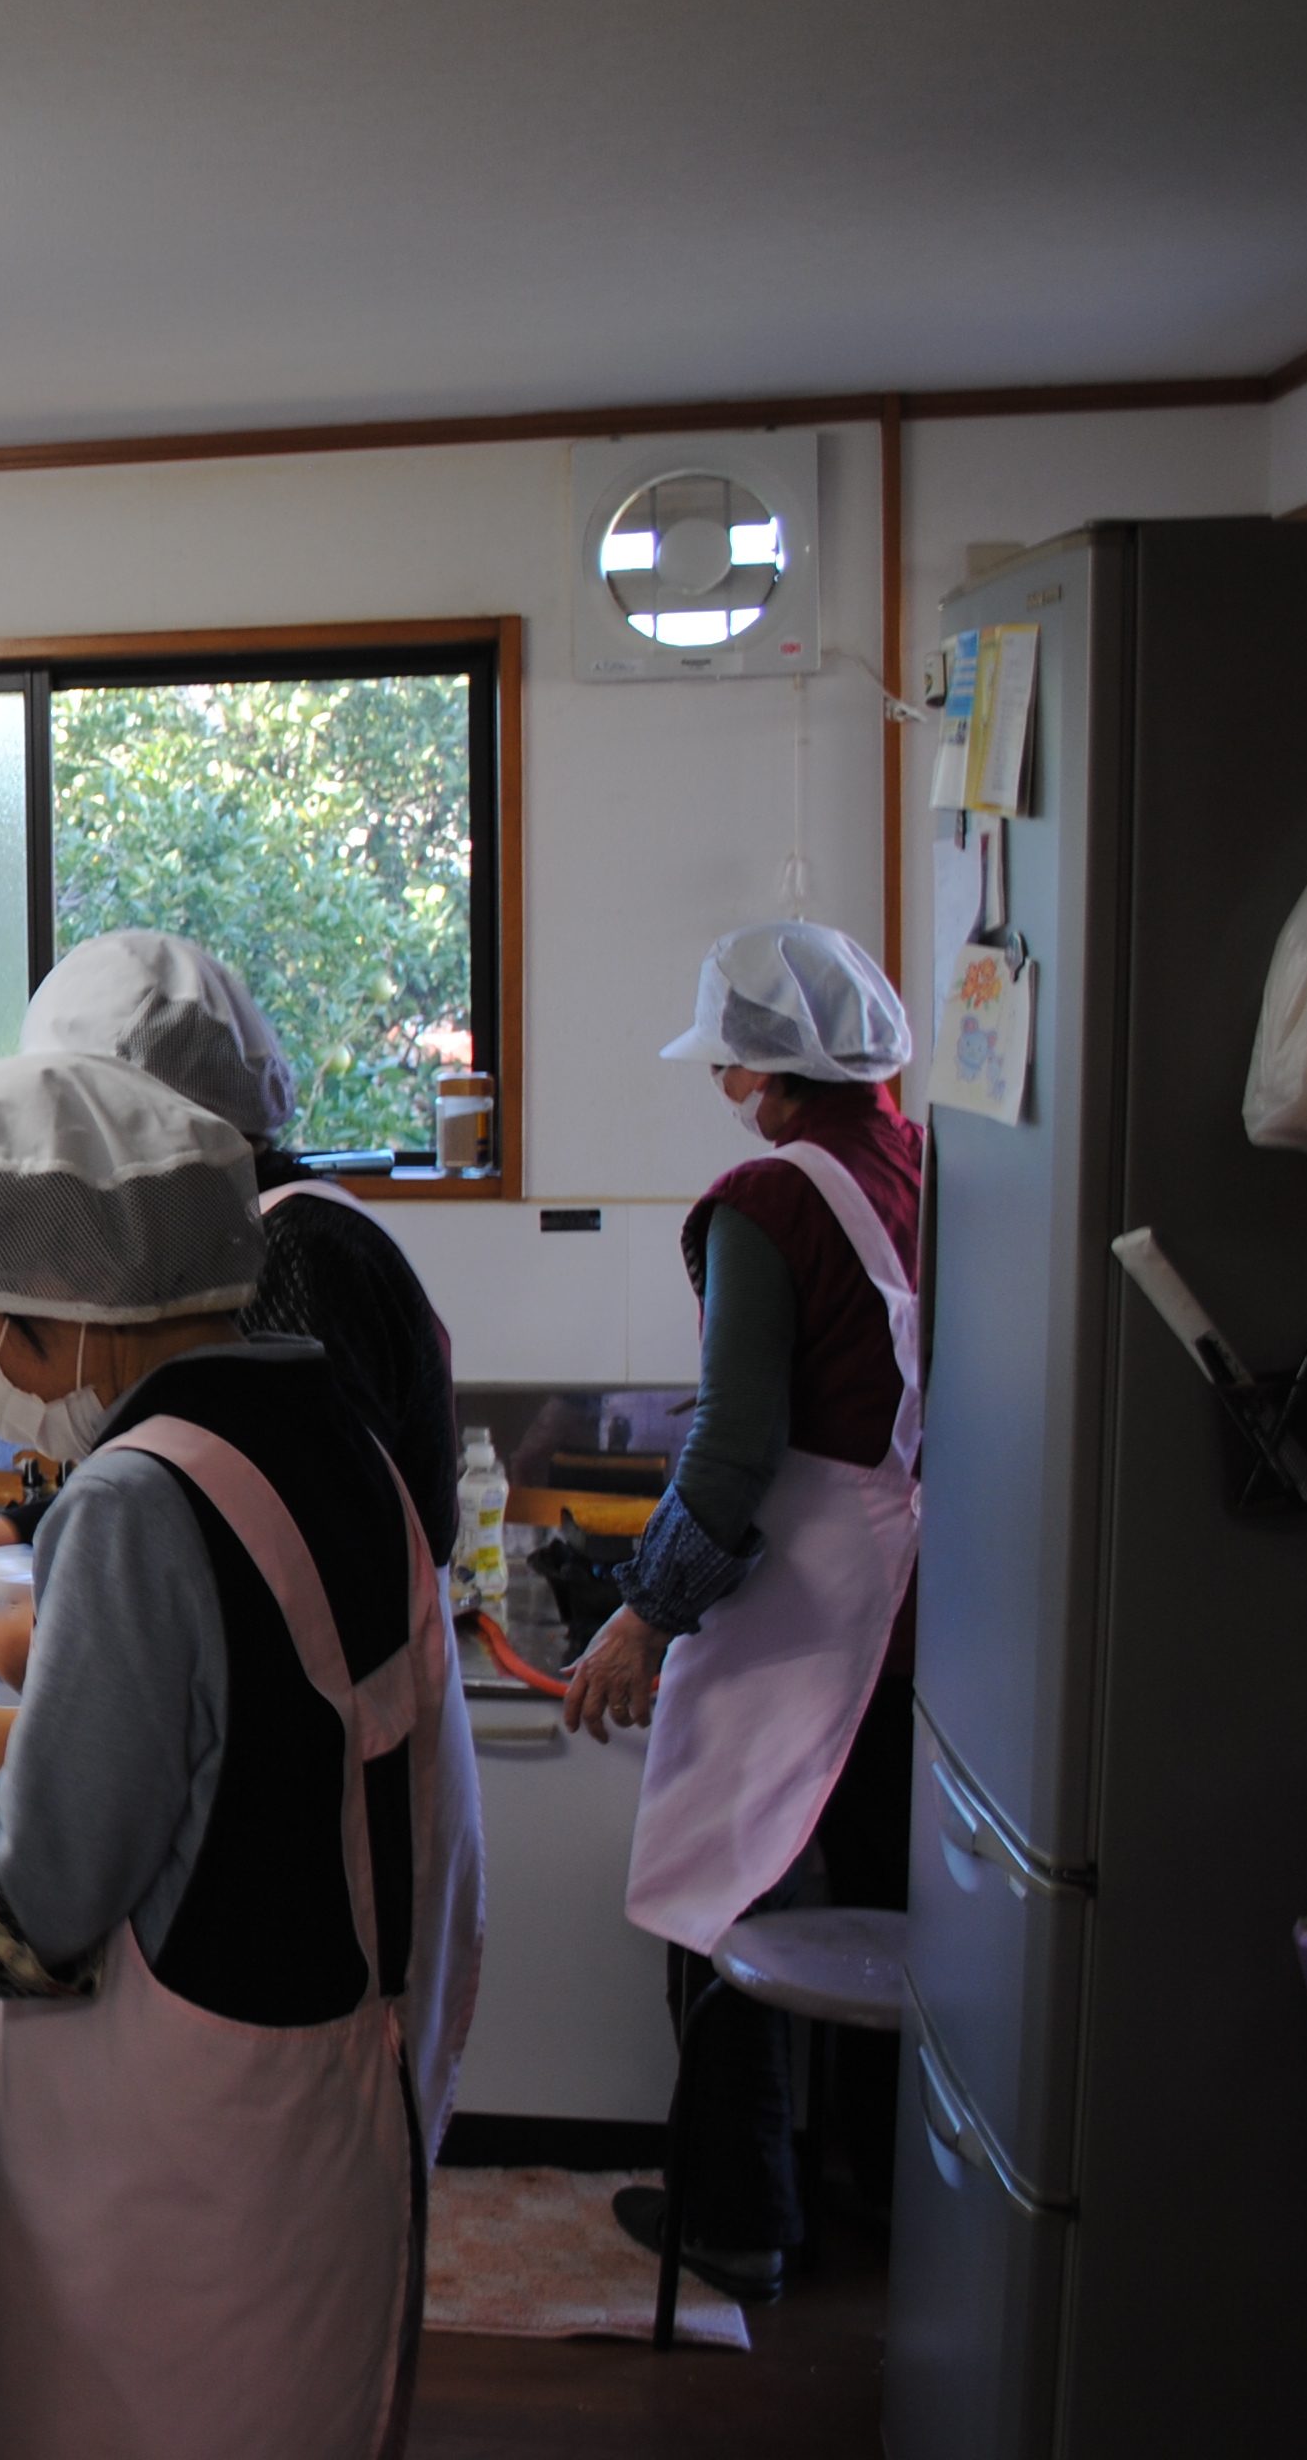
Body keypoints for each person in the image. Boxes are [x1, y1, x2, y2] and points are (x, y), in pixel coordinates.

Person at [0, 1050, 463, 2460]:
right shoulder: (314, 1427)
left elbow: (38, 1888)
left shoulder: (137, 1495)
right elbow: (220, 1761)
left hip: (186, 2187)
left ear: (57, 1321)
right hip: (327, 2122)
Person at [0, 925, 483, 2142]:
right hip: (310, 2024)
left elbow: (53, 1874)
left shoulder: (283, 1275)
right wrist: (18, 1561)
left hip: (240, 2077)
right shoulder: (267, 1370)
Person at [561, 919, 921, 2302]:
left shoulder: (767, 1205)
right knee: (891, 1913)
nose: (720, 1084)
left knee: (717, 1897)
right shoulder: (920, 1164)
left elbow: (733, 1446)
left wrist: (646, 1612)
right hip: (924, 1602)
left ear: (768, 1066)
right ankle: (897, 2206)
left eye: (728, 1057)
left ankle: (737, 2219)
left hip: (808, 1600)